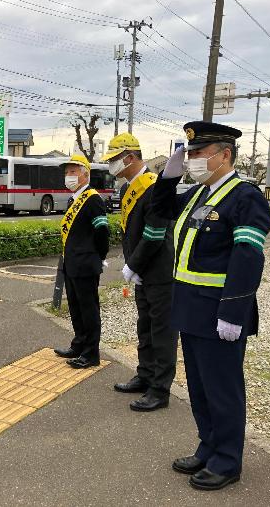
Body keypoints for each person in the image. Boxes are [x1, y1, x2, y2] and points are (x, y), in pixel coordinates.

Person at [150, 122, 270, 491]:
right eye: (189, 154)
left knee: (223, 389)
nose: (193, 160)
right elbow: (160, 209)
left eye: (199, 153)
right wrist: (168, 178)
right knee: (200, 388)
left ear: (224, 155)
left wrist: (234, 312)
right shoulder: (200, 195)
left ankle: (227, 460)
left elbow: (248, 257)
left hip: (220, 313)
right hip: (191, 308)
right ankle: (208, 446)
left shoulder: (245, 197)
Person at [100, 133, 178, 412]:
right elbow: (130, 233)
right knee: (144, 327)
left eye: (114, 160)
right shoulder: (127, 189)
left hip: (159, 272)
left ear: (129, 158)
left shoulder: (156, 187)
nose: (112, 166)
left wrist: (134, 265)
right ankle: (144, 375)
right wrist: (132, 264)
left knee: (163, 332)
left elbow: (155, 233)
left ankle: (160, 389)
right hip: (142, 271)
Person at [53, 154, 110, 368]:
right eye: (67, 172)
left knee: (89, 310)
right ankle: (78, 344)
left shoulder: (93, 199)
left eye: (73, 172)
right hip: (72, 264)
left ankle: (91, 353)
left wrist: (98, 257)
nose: (69, 176)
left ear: (85, 174)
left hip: (86, 264)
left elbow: (102, 231)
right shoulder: (73, 199)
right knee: (75, 307)